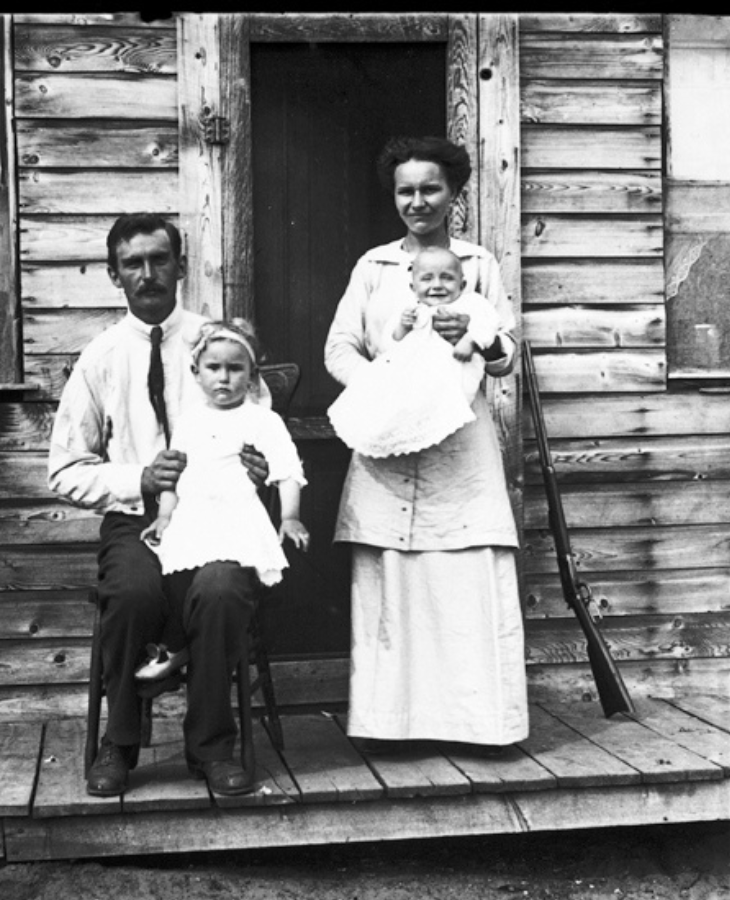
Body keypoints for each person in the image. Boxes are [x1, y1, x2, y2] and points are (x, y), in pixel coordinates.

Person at [48, 213, 272, 797]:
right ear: (113, 274)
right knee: (129, 592)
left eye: (159, 259)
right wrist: (139, 479)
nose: (148, 274)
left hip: (219, 516)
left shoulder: (220, 344)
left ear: (180, 265)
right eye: (132, 263)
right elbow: (65, 469)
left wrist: (261, 467)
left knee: (221, 587)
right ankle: (119, 743)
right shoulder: (100, 358)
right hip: (137, 519)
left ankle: (211, 746)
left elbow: (264, 431)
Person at [324, 136, 529, 749]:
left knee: (462, 582)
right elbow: (339, 347)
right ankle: (391, 730)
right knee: (393, 582)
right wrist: (386, 389)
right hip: (388, 452)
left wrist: (479, 337)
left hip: (460, 454)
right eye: (405, 190)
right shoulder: (373, 267)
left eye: (430, 188)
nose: (418, 201)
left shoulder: (479, 264)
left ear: (454, 193)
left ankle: (477, 728)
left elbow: (505, 356)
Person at [138, 318, 311, 679]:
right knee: (174, 571)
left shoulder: (262, 420)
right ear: (196, 372)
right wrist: (165, 515)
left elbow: (286, 470)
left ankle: (199, 648)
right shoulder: (188, 421)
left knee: (218, 583)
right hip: (194, 516)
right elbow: (174, 475)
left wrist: (290, 517)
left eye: (235, 369)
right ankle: (181, 644)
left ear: (251, 375)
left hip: (237, 515)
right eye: (213, 368)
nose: (224, 378)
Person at [327, 246, 500, 458]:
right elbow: (390, 342)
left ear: (462, 284)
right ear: (413, 286)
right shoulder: (411, 308)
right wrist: (403, 326)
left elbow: (488, 323)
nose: (437, 285)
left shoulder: (470, 303)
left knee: (446, 404)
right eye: (427, 279)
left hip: (452, 375)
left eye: (447, 278)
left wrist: (470, 339)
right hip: (413, 380)